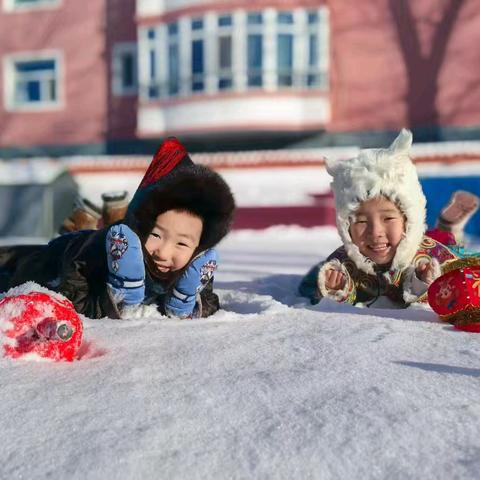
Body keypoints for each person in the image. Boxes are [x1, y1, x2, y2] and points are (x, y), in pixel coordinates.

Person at [0, 137, 235, 320]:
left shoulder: (196, 265)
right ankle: (80, 223)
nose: (163, 252)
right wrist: (117, 295)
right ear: (139, 227)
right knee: (14, 269)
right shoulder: (100, 251)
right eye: (155, 235)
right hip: (46, 263)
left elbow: (209, 301)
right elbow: (69, 301)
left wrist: (187, 301)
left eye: (181, 243)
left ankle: (82, 221)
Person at [299, 129, 465, 309]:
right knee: (317, 273)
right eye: (361, 221)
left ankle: (447, 227)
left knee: (447, 242)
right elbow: (311, 292)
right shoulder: (344, 262)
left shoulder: (432, 256)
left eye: (388, 218)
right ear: (346, 227)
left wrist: (423, 282)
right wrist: (336, 288)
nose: (375, 232)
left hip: (438, 245)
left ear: (408, 221)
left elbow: (457, 294)